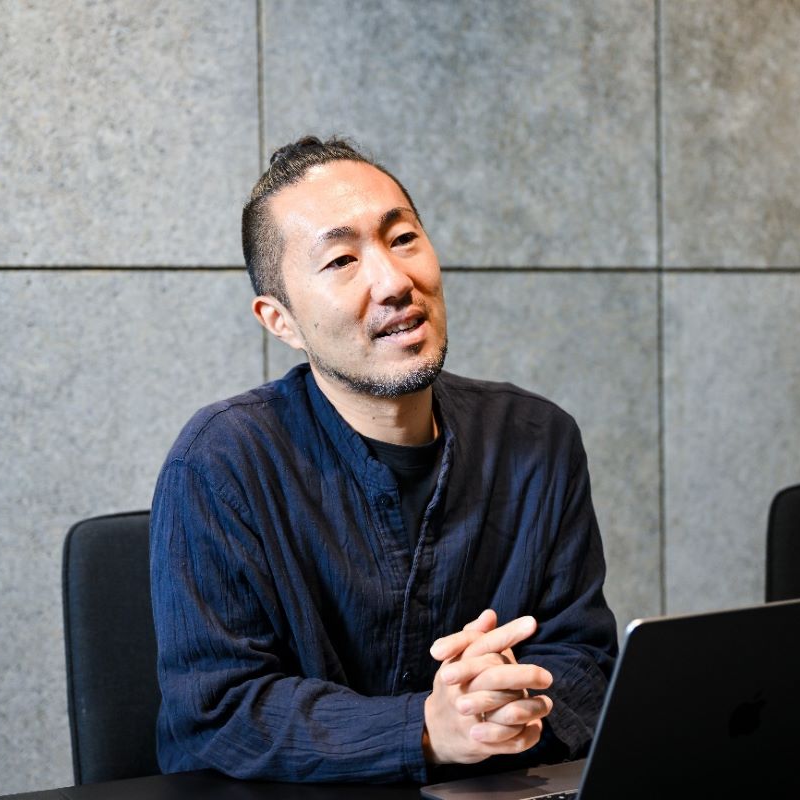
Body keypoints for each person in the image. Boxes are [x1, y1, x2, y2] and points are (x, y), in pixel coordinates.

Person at [149, 136, 617, 784]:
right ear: (280, 320)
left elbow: (586, 662)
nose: (395, 282)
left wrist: (505, 703)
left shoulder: (537, 439)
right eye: (342, 259)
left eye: (403, 239)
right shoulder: (220, 462)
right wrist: (426, 728)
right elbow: (219, 710)